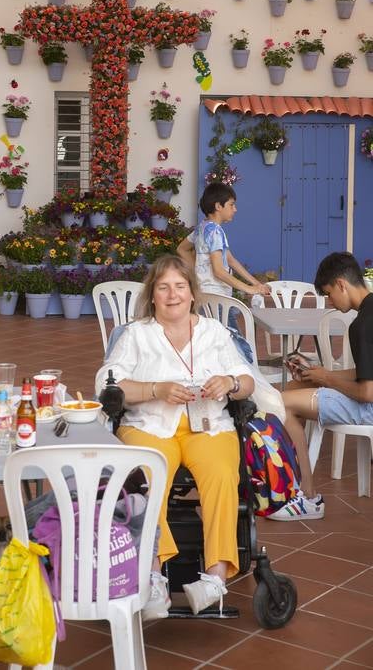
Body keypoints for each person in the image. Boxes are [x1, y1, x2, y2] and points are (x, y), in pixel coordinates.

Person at [95, 254, 254, 618]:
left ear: (192, 293)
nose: (172, 295)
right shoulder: (136, 334)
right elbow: (108, 385)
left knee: (221, 476)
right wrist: (155, 389)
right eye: (164, 287)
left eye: (180, 286)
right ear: (152, 295)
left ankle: (215, 578)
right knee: (147, 479)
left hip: (208, 425)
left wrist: (229, 383)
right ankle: (153, 575)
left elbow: (248, 382)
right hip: (149, 425)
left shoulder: (215, 333)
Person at [276, 252, 373, 521]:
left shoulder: (362, 324)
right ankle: (295, 483)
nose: (330, 301)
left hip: (369, 407)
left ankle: (306, 496)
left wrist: (327, 380)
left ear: (342, 284)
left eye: (329, 294)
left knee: (281, 403)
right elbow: (367, 373)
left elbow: (367, 393)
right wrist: (322, 374)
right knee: (295, 386)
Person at [177, 182, 271, 301]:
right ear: (218, 206)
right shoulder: (216, 231)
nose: (235, 209)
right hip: (217, 296)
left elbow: (182, 249)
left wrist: (257, 284)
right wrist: (249, 289)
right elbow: (219, 271)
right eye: (231, 205)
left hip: (203, 293)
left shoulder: (201, 228)